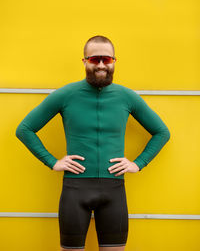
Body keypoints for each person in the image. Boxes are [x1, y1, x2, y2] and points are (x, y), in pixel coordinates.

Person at [16, 35, 170, 251]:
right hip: (74, 190)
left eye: (106, 60)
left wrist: (138, 163)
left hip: (114, 191)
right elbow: (24, 129)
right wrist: (51, 162)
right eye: (94, 59)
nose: (100, 65)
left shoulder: (127, 97)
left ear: (114, 61)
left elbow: (162, 132)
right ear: (84, 61)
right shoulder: (65, 95)